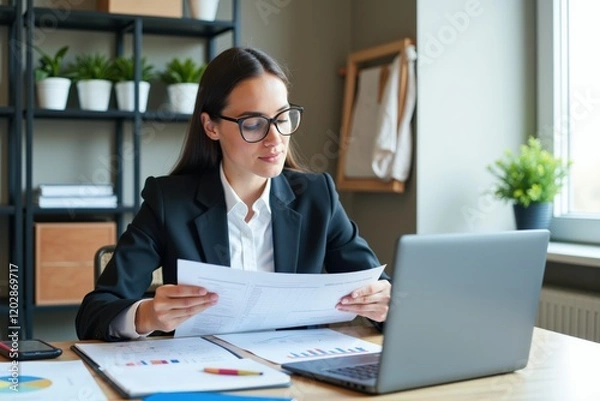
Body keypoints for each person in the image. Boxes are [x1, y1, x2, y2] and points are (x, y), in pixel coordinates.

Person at [75, 47, 391, 341]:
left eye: (282, 118)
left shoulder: (317, 197)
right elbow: (95, 311)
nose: (275, 139)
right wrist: (146, 316)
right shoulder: (169, 202)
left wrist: (384, 305)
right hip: (204, 375)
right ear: (211, 126)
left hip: (296, 374)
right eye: (254, 124)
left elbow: (381, 290)